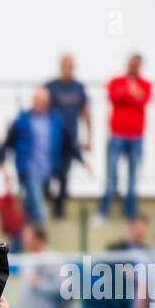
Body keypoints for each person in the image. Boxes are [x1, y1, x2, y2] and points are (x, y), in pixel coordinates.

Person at [98, 54, 152, 222]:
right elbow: (114, 96)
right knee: (111, 175)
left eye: (137, 65)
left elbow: (143, 100)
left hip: (136, 136)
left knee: (133, 177)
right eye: (131, 64)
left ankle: (130, 214)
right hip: (117, 134)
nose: (133, 67)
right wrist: (131, 93)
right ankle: (103, 211)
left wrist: (128, 94)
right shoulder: (116, 81)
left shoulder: (145, 84)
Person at [4, 87, 63, 225]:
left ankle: (21, 242)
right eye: (38, 100)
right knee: (39, 211)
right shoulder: (22, 120)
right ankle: (40, 243)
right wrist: (4, 168)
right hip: (29, 172)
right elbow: (8, 144)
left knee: (28, 211)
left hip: (48, 173)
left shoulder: (54, 121)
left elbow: (67, 144)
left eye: (44, 100)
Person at [44, 54, 90, 219]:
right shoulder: (50, 86)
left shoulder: (78, 87)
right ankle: (46, 201)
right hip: (52, 141)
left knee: (64, 175)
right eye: (66, 64)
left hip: (70, 141)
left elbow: (85, 112)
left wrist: (88, 137)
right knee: (48, 174)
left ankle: (59, 210)